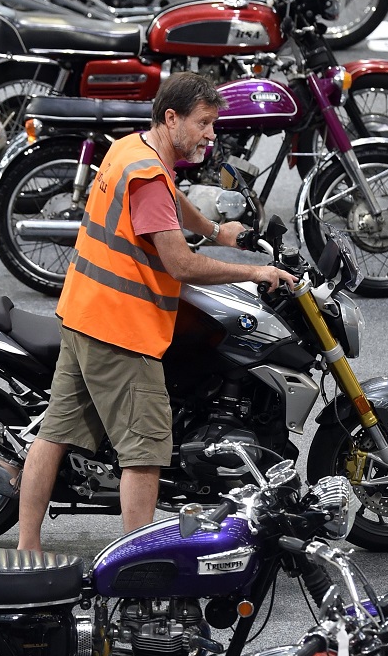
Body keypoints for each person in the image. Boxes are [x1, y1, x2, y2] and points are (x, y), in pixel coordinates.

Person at [16, 71, 296, 552]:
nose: (212, 134)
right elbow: (179, 263)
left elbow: (171, 198)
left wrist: (214, 230)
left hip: (84, 312)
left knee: (54, 434)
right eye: (204, 123)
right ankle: (139, 562)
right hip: (122, 329)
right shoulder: (146, 176)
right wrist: (254, 273)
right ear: (172, 119)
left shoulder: (131, 150)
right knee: (145, 453)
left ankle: (28, 544)